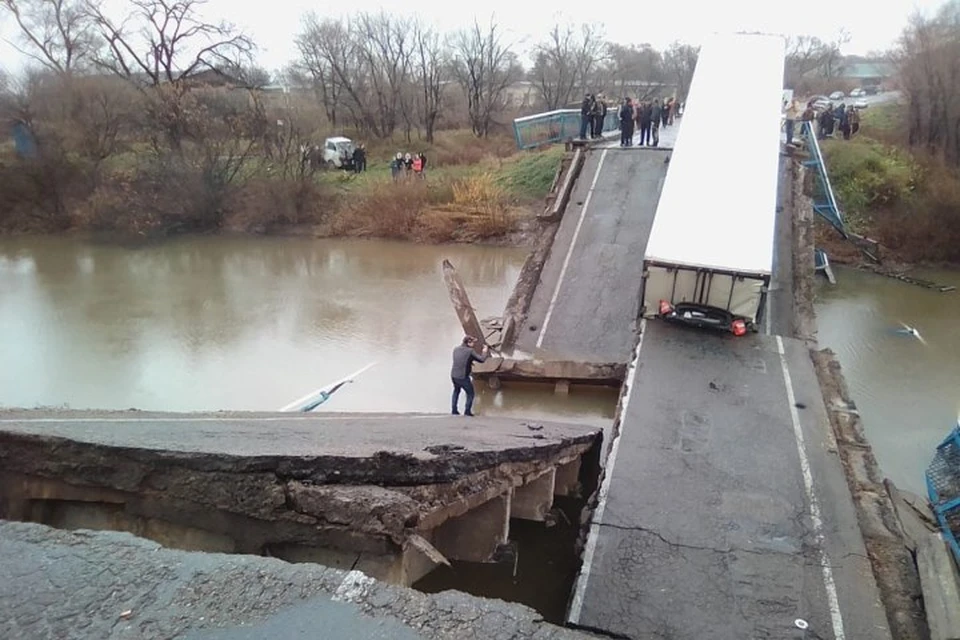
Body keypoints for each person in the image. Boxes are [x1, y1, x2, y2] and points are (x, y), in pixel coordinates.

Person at [451, 336, 488, 416]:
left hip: (454, 375)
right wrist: (484, 351)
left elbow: (461, 360)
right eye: (473, 342)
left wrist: (470, 362)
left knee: (456, 391)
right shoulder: (470, 351)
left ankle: (454, 410)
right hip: (462, 376)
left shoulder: (456, 349)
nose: (474, 344)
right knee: (470, 393)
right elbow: (482, 360)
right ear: (468, 343)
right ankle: (467, 411)